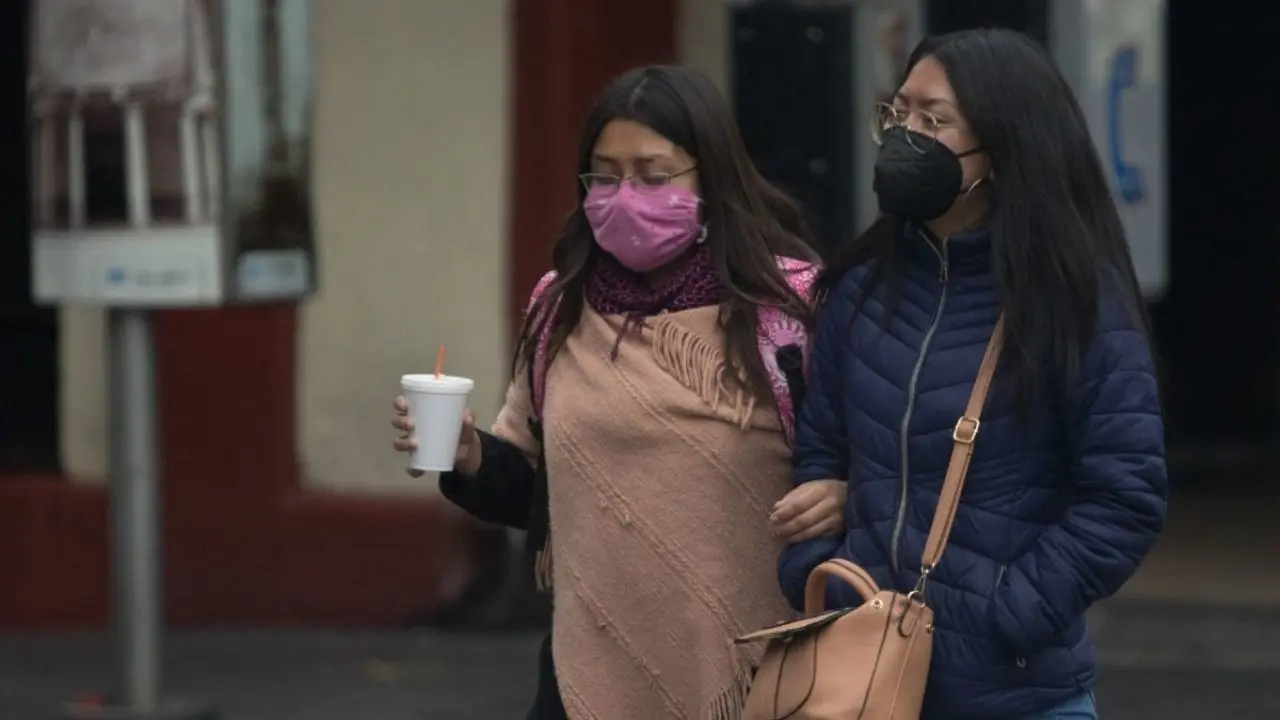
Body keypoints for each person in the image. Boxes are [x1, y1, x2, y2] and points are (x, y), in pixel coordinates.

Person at [392, 65, 845, 720]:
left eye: (654, 176)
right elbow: (537, 492)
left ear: (711, 180)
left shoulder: (789, 308)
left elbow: (870, 460)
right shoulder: (562, 305)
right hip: (587, 675)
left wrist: (840, 493)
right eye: (604, 176)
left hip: (761, 677)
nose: (625, 196)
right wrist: (466, 455)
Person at [779, 29, 1168, 720]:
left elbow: (1124, 496)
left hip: (1015, 694)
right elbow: (820, 450)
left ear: (1003, 145)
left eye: (935, 120)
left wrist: (1007, 614)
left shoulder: (1074, 301)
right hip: (861, 680)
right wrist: (814, 571)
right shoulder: (861, 292)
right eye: (898, 114)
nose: (906, 135)